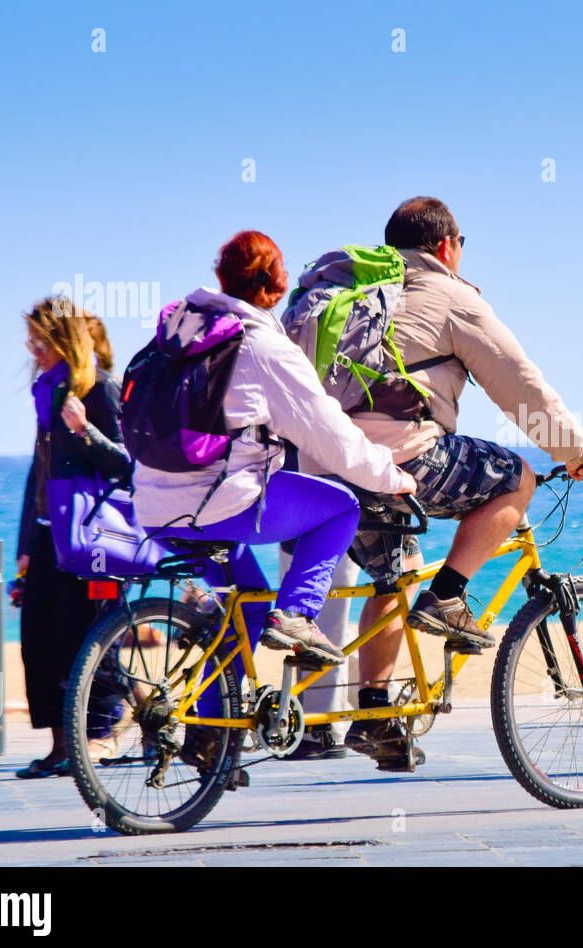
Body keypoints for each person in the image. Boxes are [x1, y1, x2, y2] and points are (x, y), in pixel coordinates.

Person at [329, 197, 583, 768]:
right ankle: (450, 593)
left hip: (332, 464)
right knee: (517, 479)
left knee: (390, 576)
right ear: (447, 246)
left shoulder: (351, 295)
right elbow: (519, 386)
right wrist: (576, 453)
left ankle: (375, 713)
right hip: (401, 454)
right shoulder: (452, 296)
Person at [131, 231, 416, 676]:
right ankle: (299, 614)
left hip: (153, 508)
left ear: (222, 278)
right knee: (341, 507)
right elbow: (331, 436)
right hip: (222, 506)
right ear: (277, 285)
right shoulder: (264, 347)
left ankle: (211, 738)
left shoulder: (178, 338)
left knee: (242, 611)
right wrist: (392, 478)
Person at [15, 300, 131, 778]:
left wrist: (85, 433)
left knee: (81, 637)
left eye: (39, 340)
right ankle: (61, 745)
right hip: (48, 536)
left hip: (90, 537)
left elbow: (128, 464)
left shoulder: (99, 388)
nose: (32, 349)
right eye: (31, 340)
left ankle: (95, 738)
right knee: (38, 641)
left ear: (64, 340)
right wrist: (24, 542)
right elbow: (36, 473)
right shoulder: (49, 392)